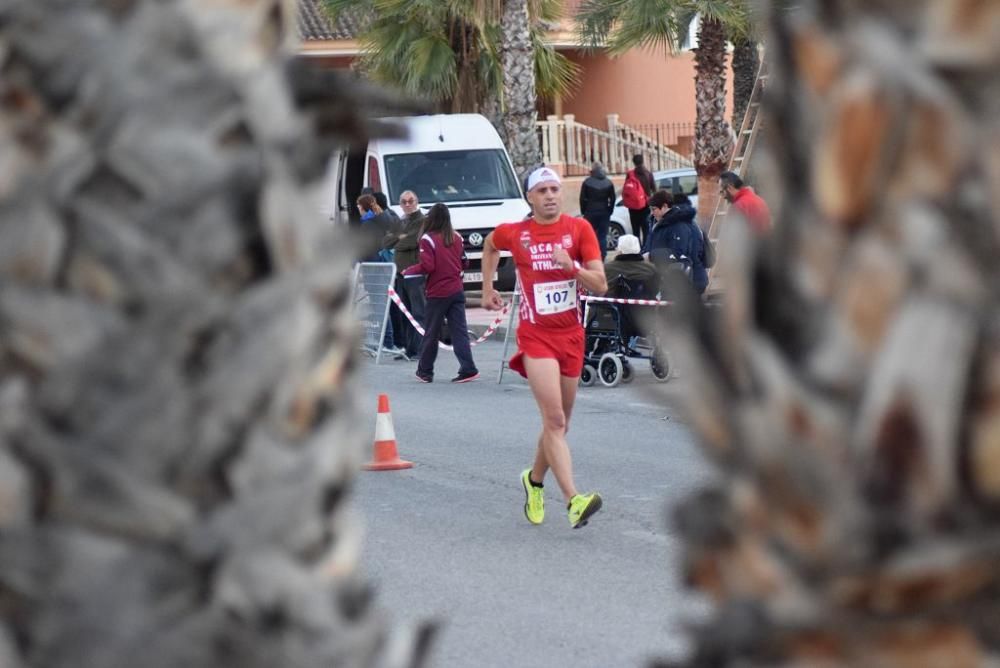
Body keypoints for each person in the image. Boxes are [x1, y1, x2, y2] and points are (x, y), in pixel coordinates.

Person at [481, 166, 608, 529]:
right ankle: (573, 500)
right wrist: (489, 287)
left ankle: (533, 481)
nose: (551, 195)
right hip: (536, 337)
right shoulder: (517, 234)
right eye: (542, 190)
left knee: (561, 425)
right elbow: (490, 245)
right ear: (530, 198)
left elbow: (601, 284)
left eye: (555, 188)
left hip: (571, 335)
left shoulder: (578, 229)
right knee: (553, 419)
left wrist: (574, 269)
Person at [402, 203, 479, 384]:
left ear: (432, 219)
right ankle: (468, 368)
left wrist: (409, 271)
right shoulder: (457, 237)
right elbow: (465, 262)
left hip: (437, 292)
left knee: (431, 333)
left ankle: (425, 371)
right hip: (457, 290)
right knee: (459, 332)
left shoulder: (428, 239)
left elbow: (429, 266)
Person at [357, 193, 406, 357]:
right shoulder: (387, 219)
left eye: (359, 206)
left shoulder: (367, 225)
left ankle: (387, 342)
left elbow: (365, 249)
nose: (357, 209)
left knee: (380, 306)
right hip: (388, 267)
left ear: (364, 207)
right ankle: (390, 341)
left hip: (374, 269)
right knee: (386, 305)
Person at [643, 190, 707, 295]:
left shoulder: (679, 225)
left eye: (653, 209)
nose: (651, 213)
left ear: (664, 206)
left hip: (689, 282)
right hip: (671, 280)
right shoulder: (657, 223)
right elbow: (649, 245)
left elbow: (679, 253)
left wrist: (651, 255)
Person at [388, 190, 427, 359]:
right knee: (404, 313)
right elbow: (385, 242)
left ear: (416, 201)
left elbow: (411, 241)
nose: (407, 204)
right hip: (400, 274)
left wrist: (397, 240)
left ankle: (419, 349)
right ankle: (409, 348)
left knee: (418, 312)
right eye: (404, 201)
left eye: (411, 201)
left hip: (415, 274)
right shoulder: (401, 221)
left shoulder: (422, 221)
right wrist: (398, 239)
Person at [603, 234, 661, 298]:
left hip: (614, 306)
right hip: (645, 306)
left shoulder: (608, 268)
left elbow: (603, 290)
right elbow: (656, 290)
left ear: (620, 250)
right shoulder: (651, 268)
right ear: (638, 249)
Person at [578, 162, 615, 260]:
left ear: (592, 171)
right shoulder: (608, 182)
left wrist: (583, 211)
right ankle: (602, 255)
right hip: (604, 211)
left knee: (589, 235)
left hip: (590, 211)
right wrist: (610, 210)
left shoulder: (587, 182)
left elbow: (582, 198)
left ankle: (591, 256)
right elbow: (612, 198)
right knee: (602, 236)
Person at [720, 171, 771, 235]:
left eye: (722, 192)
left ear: (730, 187)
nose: (723, 196)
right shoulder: (759, 200)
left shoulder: (738, 207)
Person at [626, 154, 656, 247]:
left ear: (634, 163)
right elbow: (654, 189)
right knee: (646, 230)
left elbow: (627, 190)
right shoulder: (648, 174)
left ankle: (637, 250)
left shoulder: (630, 174)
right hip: (645, 206)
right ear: (643, 161)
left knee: (635, 231)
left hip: (633, 207)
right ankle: (645, 250)